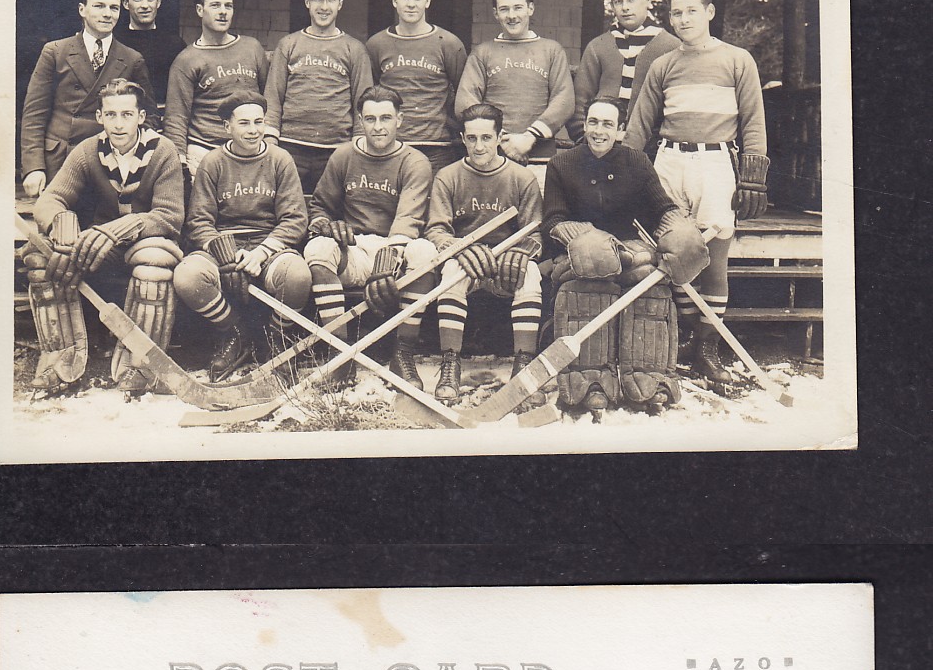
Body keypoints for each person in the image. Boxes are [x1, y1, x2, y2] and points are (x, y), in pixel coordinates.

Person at [623, 0, 769, 384]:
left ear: (709, 12)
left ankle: (708, 346)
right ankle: (687, 338)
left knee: (714, 255)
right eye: (675, 13)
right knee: (675, 250)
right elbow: (639, 126)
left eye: (691, 11)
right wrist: (624, 173)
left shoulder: (738, 60)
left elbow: (753, 122)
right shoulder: (663, 64)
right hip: (669, 160)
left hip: (716, 162)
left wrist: (753, 177)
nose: (683, 19)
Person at [543, 95, 708, 420]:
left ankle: (650, 378)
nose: (598, 131)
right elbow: (552, 219)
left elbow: (662, 207)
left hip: (634, 252)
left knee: (650, 282)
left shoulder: (636, 162)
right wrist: (584, 237)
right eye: (593, 122)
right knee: (591, 279)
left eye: (607, 124)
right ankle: (589, 381)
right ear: (585, 126)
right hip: (580, 258)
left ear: (619, 130)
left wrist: (680, 230)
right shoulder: (562, 164)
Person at [20, 78, 185, 399]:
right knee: (40, 256)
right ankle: (60, 357)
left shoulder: (163, 152)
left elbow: (169, 218)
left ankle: (142, 363)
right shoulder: (88, 150)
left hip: (142, 245)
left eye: (126, 114)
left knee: (155, 262)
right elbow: (49, 200)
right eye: (111, 115)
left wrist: (119, 229)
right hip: (99, 250)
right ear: (99, 117)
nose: (118, 123)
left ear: (141, 117)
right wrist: (62, 224)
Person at [303, 84, 436, 389]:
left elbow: (410, 219)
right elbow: (320, 207)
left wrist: (389, 257)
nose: (378, 127)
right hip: (357, 249)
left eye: (386, 118)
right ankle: (341, 355)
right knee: (318, 247)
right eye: (371, 118)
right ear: (360, 121)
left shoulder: (414, 161)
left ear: (400, 120)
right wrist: (327, 226)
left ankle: (402, 355)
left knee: (426, 252)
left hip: (396, 249)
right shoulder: (343, 156)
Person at [173, 92, 311, 382]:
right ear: (227, 127)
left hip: (268, 246)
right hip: (224, 247)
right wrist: (225, 254)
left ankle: (277, 339)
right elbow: (199, 220)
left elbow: (295, 219)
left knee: (298, 275)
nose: (253, 130)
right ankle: (235, 332)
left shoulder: (279, 160)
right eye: (244, 123)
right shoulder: (213, 162)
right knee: (187, 275)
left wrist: (260, 253)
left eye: (259, 122)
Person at [425, 102, 543, 407]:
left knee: (530, 274)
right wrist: (460, 249)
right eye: (472, 138)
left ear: (500, 137)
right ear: (463, 138)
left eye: (486, 138)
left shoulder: (521, 178)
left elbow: (535, 234)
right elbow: (436, 230)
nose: (479, 146)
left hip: (506, 264)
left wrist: (521, 253)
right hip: (468, 264)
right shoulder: (448, 176)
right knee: (451, 273)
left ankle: (524, 366)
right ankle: (450, 365)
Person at [20, 0, 156, 198]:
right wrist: (34, 167)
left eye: (113, 7)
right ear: (82, 9)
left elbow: (148, 116)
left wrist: (132, 156)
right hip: (60, 160)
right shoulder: (55, 52)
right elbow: (34, 115)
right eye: (99, 6)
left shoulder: (132, 59)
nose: (107, 14)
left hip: (110, 163)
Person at [454, 0, 574, 182]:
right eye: (504, 9)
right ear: (495, 14)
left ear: (530, 8)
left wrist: (529, 137)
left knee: (536, 211)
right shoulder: (483, 52)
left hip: (539, 156)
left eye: (518, 7)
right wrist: (502, 138)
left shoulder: (551, 50)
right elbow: (465, 102)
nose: (511, 15)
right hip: (493, 156)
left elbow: (564, 100)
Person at [264, 0, 373, 195]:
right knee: (289, 207)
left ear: (340, 5)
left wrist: (359, 144)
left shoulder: (354, 48)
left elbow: (364, 100)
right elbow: (273, 96)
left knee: (329, 212)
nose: (324, 6)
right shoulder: (288, 44)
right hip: (291, 146)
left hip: (336, 149)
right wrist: (270, 139)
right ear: (307, 3)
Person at [164, 0, 271, 179]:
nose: (223, 11)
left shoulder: (252, 48)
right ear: (199, 10)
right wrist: (180, 162)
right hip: (205, 148)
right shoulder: (186, 60)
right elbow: (176, 117)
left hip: (249, 146)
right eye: (215, 5)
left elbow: (269, 99)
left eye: (228, 6)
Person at [366, 0, 467, 177]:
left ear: (427, 1)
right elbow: (370, 94)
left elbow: (463, 95)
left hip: (437, 148)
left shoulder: (449, 43)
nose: (411, 3)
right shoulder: (376, 44)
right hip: (391, 145)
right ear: (394, 0)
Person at [568, 0, 677, 142]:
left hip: (650, 149)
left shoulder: (671, 46)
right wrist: (585, 140)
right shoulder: (599, 46)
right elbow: (580, 101)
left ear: (647, 0)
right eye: (618, 1)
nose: (625, 7)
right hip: (599, 145)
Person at [115, 0, 186, 108]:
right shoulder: (115, 42)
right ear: (125, 3)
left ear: (158, 2)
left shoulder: (175, 45)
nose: (145, 5)